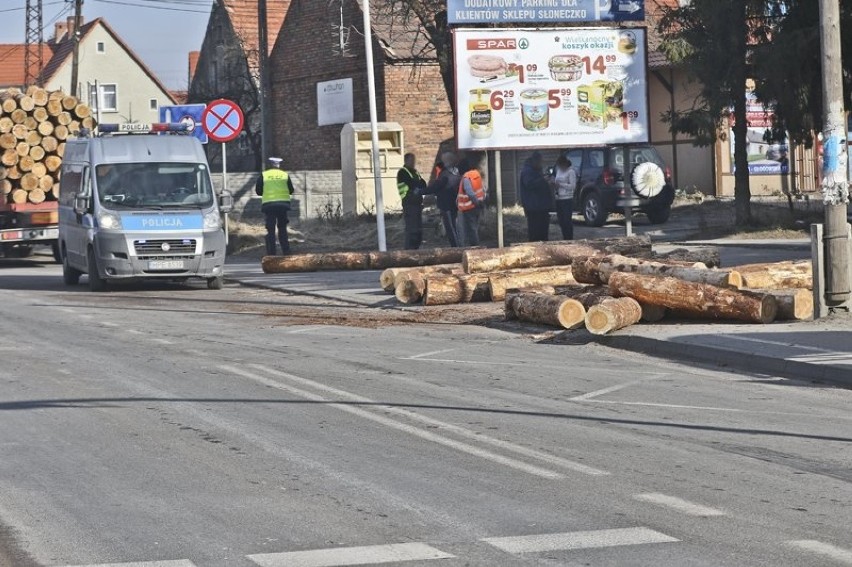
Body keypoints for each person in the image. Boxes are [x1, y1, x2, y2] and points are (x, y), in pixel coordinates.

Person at [255, 157, 296, 256]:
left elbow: (258, 191)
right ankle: (286, 252)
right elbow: (291, 190)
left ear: (270, 165)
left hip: (269, 205)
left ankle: (272, 253)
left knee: (271, 229)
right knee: (282, 228)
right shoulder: (285, 175)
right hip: (283, 205)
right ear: (279, 165)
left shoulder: (264, 175)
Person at [425, 151, 461, 247]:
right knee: (456, 226)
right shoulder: (457, 172)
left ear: (447, 161)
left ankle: (456, 248)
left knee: (451, 228)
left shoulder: (445, 174)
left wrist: (420, 191)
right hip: (456, 203)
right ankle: (459, 245)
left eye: (444, 160)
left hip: (446, 205)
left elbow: (435, 187)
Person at [519, 151, 553, 242]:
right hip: (534, 207)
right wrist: (543, 180)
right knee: (535, 232)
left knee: (543, 232)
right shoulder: (528, 171)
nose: (542, 164)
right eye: (540, 162)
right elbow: (529, 184)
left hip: (541, 206)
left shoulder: (536, 170)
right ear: (535, 161)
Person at [397, 153, 427, 250]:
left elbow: (423, 184)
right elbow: (412, 184)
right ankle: (409, 249)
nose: (413, 162)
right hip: (409, 203)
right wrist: (417, 184)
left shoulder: (415, 172)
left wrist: (417, 184)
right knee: (411, 228)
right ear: (406, 161)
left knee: (418, 228)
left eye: (414, 160)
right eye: (411, 160)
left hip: (417, 203)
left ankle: (416, 248)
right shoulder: (402, 172)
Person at [456, 159, 486, 246]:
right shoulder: (476, 174)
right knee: (474, 228)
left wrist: (475, 202)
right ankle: (475, 245)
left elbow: (469, 192)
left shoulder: (466, 177)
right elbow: (482, 189)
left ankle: (474, 247)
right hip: (478, 205)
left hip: (469, 207)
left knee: (470, 229)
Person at [552, 156, 577, 240]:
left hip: (567, 198)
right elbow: (556, 181)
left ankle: (569, 238)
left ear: (565, 164)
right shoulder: (558, 171)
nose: (560, 167)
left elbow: (573, 186)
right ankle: (564, 237)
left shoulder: (571, 172)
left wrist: (561, 185)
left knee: (567, 220)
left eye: (561, 165)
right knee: (561, 220)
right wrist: (554, 185)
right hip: (559, 198)